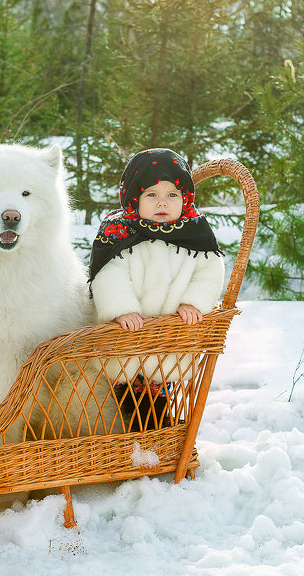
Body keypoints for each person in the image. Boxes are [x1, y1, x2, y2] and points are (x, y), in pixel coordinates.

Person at [89, 147, 225, 430]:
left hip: (168, 344)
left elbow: (209, 272)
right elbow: (108, 275)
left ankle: (156, 434)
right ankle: (126, 440)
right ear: (133, 197)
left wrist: (193, 302)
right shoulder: (119, 231)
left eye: (172, 195)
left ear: (185, 198)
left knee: (159, 397)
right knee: (123, 399)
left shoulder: (195, 231)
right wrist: (121, 309)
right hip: (126, 340)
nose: (162, 203)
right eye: (151, 194)